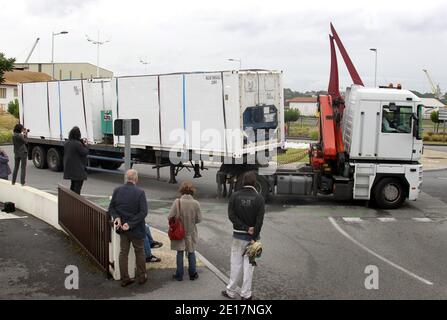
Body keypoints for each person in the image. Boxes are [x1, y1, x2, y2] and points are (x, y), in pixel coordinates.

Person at [222, 171, 265, 300]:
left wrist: (244, 228)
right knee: (249, 267)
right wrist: (253, 234)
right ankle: (245, 294)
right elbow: (260, 220)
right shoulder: (259, 198)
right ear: (254, 183)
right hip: (252, 239)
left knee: (235, 264)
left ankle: (230, 290)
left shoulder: (235, 196)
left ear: (242, 182)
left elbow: (232, 216)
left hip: (238, 237)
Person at [108, 169, 148, 287]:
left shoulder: (117, 190)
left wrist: (117, 218)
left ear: (126, 178)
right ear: (136, 179)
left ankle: (125, 278)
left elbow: (111, 208)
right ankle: (142, 277)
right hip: (136, 229)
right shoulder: (140, 192)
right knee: (139, 252)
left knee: (123, 253)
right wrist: (130, 224)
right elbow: (143, 212)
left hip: (122, 229)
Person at [168, 181, 202, 281]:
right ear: (192, 191)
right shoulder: (196, 203)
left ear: (181, 190)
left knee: (180, 252)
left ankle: (179, 274)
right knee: (191, 252)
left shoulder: (177, 202)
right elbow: (199, 219)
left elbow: (170, 216)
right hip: (191, 232)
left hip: (179, 232)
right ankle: (192, 273)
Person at [63, 126, 89, 195]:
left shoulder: (67, 143)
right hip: (78, 170)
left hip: (70, 169)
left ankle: (71, 201)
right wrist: (85, 145)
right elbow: (85, 152)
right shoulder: (78, 144)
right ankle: (76, 202)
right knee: (77, 188)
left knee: (73, 186)